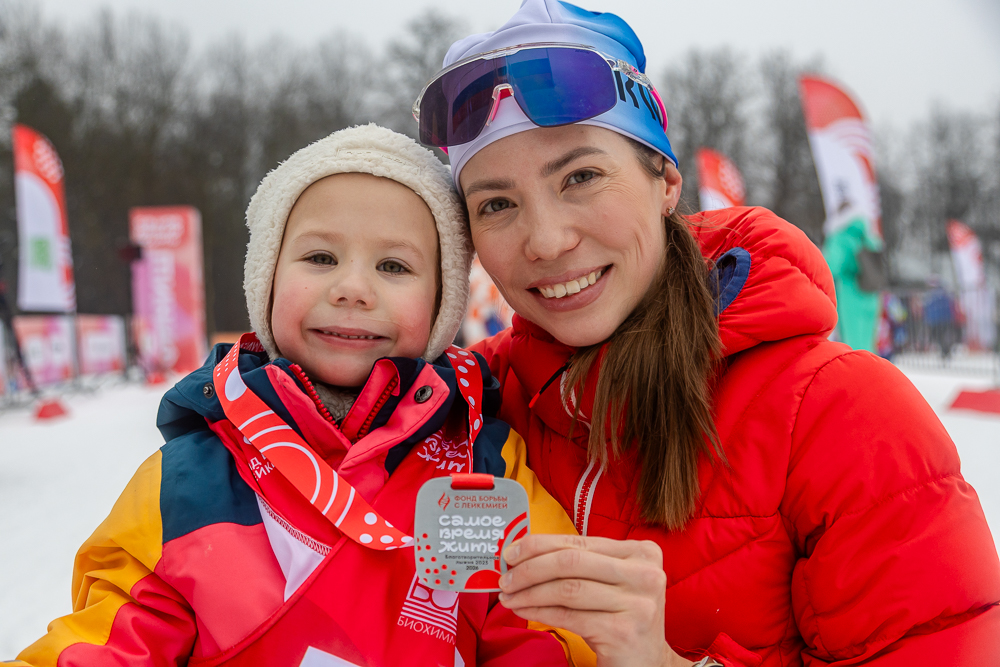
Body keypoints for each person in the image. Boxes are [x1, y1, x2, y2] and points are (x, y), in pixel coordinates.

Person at [413, 1, 1000, 665]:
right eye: (496, 203)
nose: (546, 240)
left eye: (580, 176)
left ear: (665, 181)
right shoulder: (458, 407)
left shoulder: (841, 414)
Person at [13, 125, 595, 667]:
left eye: (394, 265)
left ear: (442, 303)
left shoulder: (485, 467)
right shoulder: (187, 484)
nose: (351, 289)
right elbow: (109, 642)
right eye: (320, 258)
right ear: (266, 278)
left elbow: (542, 630)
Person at [822, 203, 884, 352]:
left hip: (851, 293)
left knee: (853, 343)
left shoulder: (840, 236)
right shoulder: (869, 235)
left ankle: (858, 374)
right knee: (869, 344)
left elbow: (830, 267)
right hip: (872, 294)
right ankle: (872, 373)